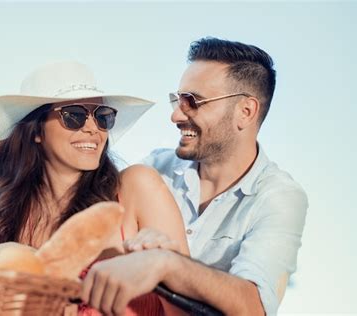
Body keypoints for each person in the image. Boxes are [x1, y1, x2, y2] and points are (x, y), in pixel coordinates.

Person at [81, 37, 308, 316]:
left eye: (193, 101)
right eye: (177, 100)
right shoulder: (153, 169)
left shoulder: (280, 197)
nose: (176, 115)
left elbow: (255, 307)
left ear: (245, 112)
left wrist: (166, 262)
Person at [0, 61, 190, 315]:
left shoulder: (137, 188)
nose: (92, 128)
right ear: (37, 131)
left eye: (102, 117)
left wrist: (161, 263)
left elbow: (185, 308)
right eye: (74, 115)